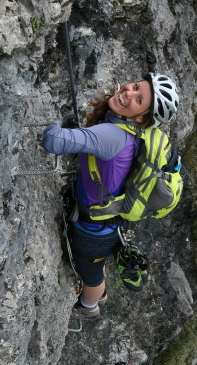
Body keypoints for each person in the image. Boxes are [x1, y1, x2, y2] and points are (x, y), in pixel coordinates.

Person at [42, 73, 179, 320]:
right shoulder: (131, 131)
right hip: (107, 225)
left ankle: (89, 307)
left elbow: (53, 140)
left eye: (138, 99)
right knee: (95, 263)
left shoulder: (113, 135)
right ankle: (100, 293)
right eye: (136, 87)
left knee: (89, 272)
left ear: (140, 117)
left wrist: (56, 128)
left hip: (92, 231)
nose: (128, 93)